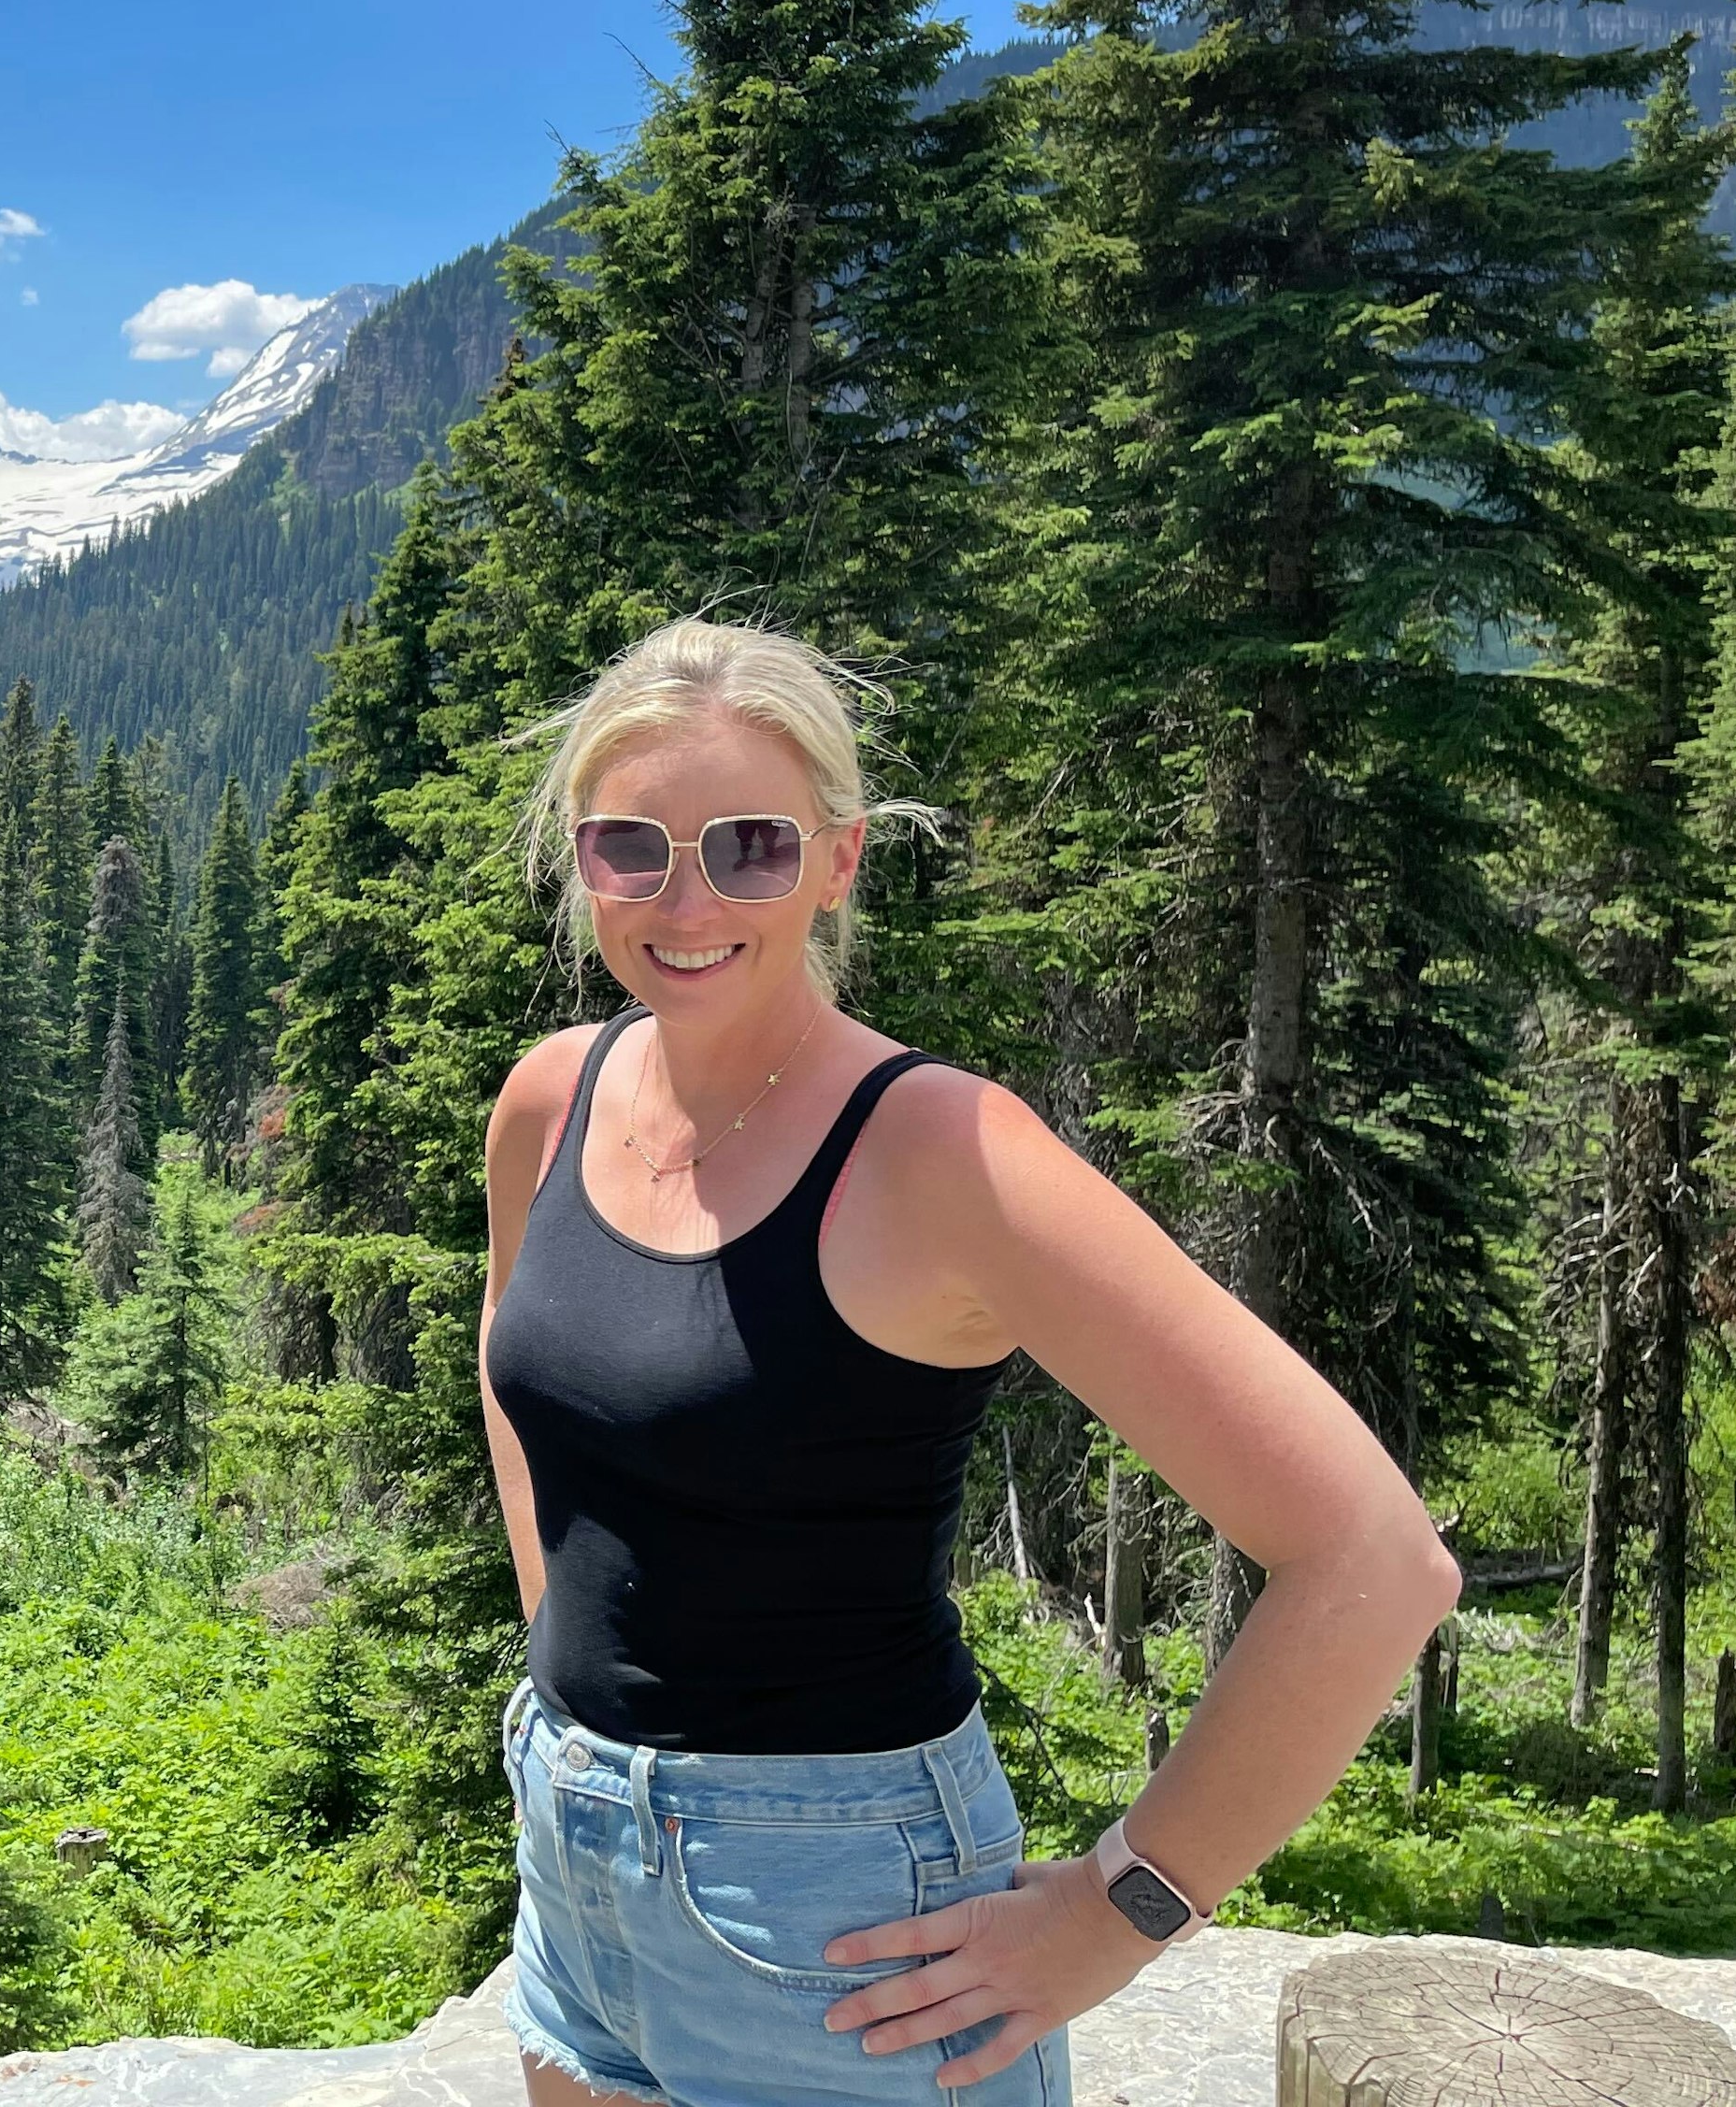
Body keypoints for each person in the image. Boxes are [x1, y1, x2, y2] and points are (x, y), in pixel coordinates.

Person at [478, 618, 1456, 2106]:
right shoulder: (553, 1099)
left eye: (750, 846)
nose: (686, 899)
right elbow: (518, 1369)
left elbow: (1376, 1558)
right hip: (572, 1855)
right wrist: (566, 1675)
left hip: (843, 1918)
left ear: (839, 861)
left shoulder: (943, 1157)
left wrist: (1123, 1907)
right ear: (579, 858)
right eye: (631, 848)